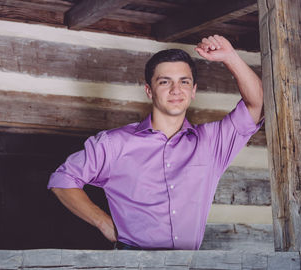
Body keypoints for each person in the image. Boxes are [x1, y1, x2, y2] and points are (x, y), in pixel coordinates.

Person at [47, 35, 264, 250]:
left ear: (193, 91)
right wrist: (102, 222)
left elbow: (256, 105)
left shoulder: (211, 143)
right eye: (164, 81)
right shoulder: (114, 144)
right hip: (132, 264)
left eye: (184, 81)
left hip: (187, 265)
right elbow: (63, 179)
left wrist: (230, 57)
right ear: (149, 90)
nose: (176, 90)